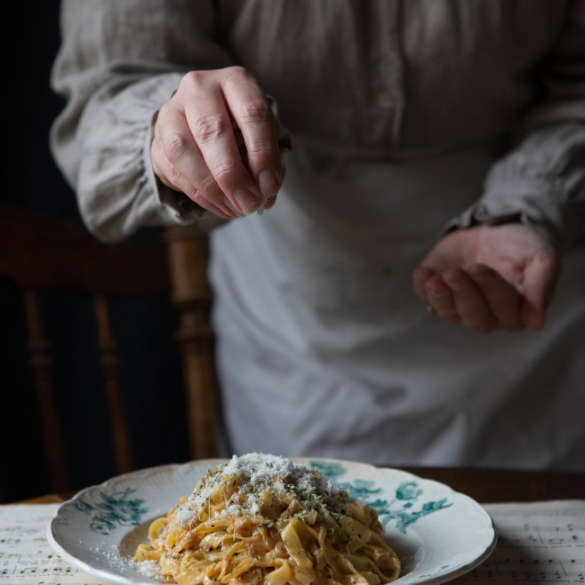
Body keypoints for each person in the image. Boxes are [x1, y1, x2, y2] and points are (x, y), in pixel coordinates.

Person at [51, 1, 585, 471]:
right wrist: (179, 131)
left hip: (528, 289)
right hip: (295, 319)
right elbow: (107, 87)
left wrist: (532, 202)